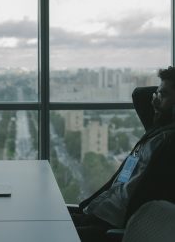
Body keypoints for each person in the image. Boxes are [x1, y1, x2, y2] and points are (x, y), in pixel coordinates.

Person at [70, 66, 175, 242]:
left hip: (112, 228)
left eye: (163, 95)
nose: (154, 101)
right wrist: (161, 93)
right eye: (156, 94)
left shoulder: (170, 143)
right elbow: (140, 95)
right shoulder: (156, 130)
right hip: (98, 212)